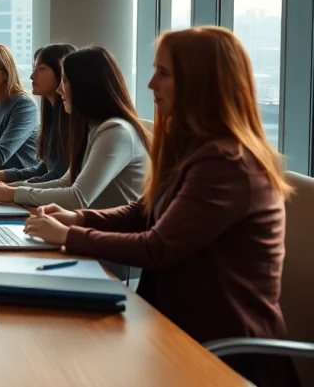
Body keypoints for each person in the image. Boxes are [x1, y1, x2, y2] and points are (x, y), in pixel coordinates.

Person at [24, 27, 297, 387]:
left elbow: (158, 247)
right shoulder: (194, 149)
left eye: (164, 73)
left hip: (219, 354)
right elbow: (142, 212)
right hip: (170, 327)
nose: (151, 84)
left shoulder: (229, 163)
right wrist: (78, 216)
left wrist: (71, 234)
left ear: (202, 81)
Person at [0, 46, 150, 210]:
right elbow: (67, 181)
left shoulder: (115, 132)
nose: (59, 90)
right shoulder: (97, 129)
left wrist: (13, 193)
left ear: (85, 85)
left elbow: (77, 197)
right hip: (89, 226)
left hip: (110, 234)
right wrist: (7, 189)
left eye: (64, 81)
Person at [0, 43, 76, 185]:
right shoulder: (53, 116)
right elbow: (43, 169)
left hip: (44, 196)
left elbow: (56, 178)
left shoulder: (24, 104)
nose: (32, 76)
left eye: (40, 69)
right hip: (32, 189)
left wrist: (12, 189)